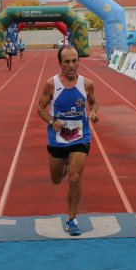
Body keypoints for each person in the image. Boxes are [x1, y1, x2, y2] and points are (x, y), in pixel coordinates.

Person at [36, 46, 99, 236]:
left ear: (79, 61)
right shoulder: (51, 84)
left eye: (75, 61)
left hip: (80, 135)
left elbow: (93, 102)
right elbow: (40, 108)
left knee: (75, 176)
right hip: (58, 137)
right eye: (67, 62)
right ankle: (63, 167)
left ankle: (72, 219)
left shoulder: (87, 84)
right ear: (60, 64)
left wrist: (94, 112)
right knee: (56, 180)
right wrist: (52, 121)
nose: (72, 65)